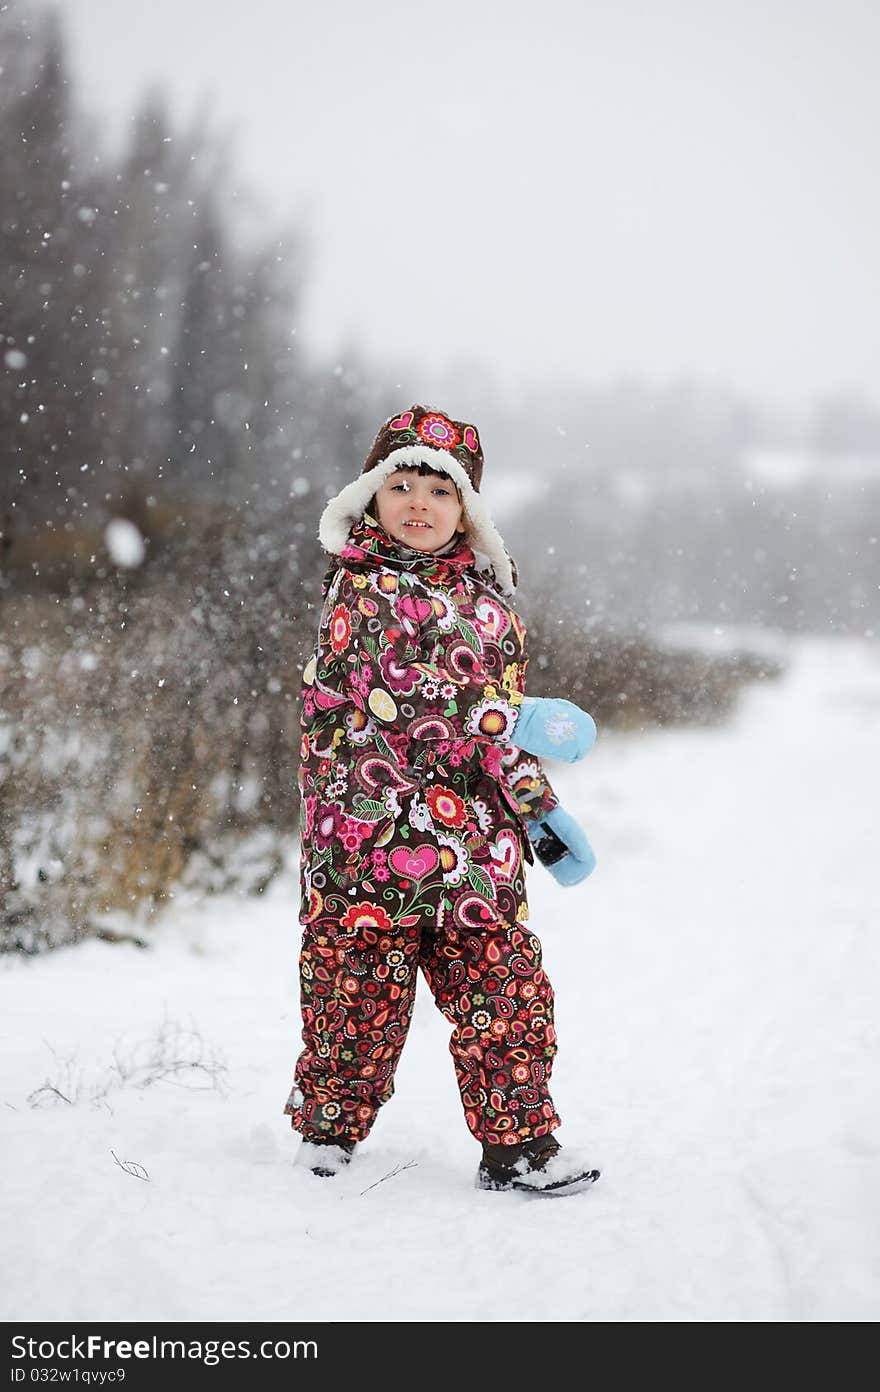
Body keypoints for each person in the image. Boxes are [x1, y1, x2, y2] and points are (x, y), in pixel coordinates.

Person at [283, 405, 600, 1196]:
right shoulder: (360, 591)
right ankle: (328, 1130)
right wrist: (512, 714)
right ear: (371, 496)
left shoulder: (492, 609)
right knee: (356, 1003)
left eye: (440, 489)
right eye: (402, 484)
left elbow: (496, 742)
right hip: (365, 841)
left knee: (508, 994)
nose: (419, 503)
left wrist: (536, 808)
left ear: (466, 510)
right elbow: (404, 699)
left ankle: (521, 1145)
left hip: (476, 854)